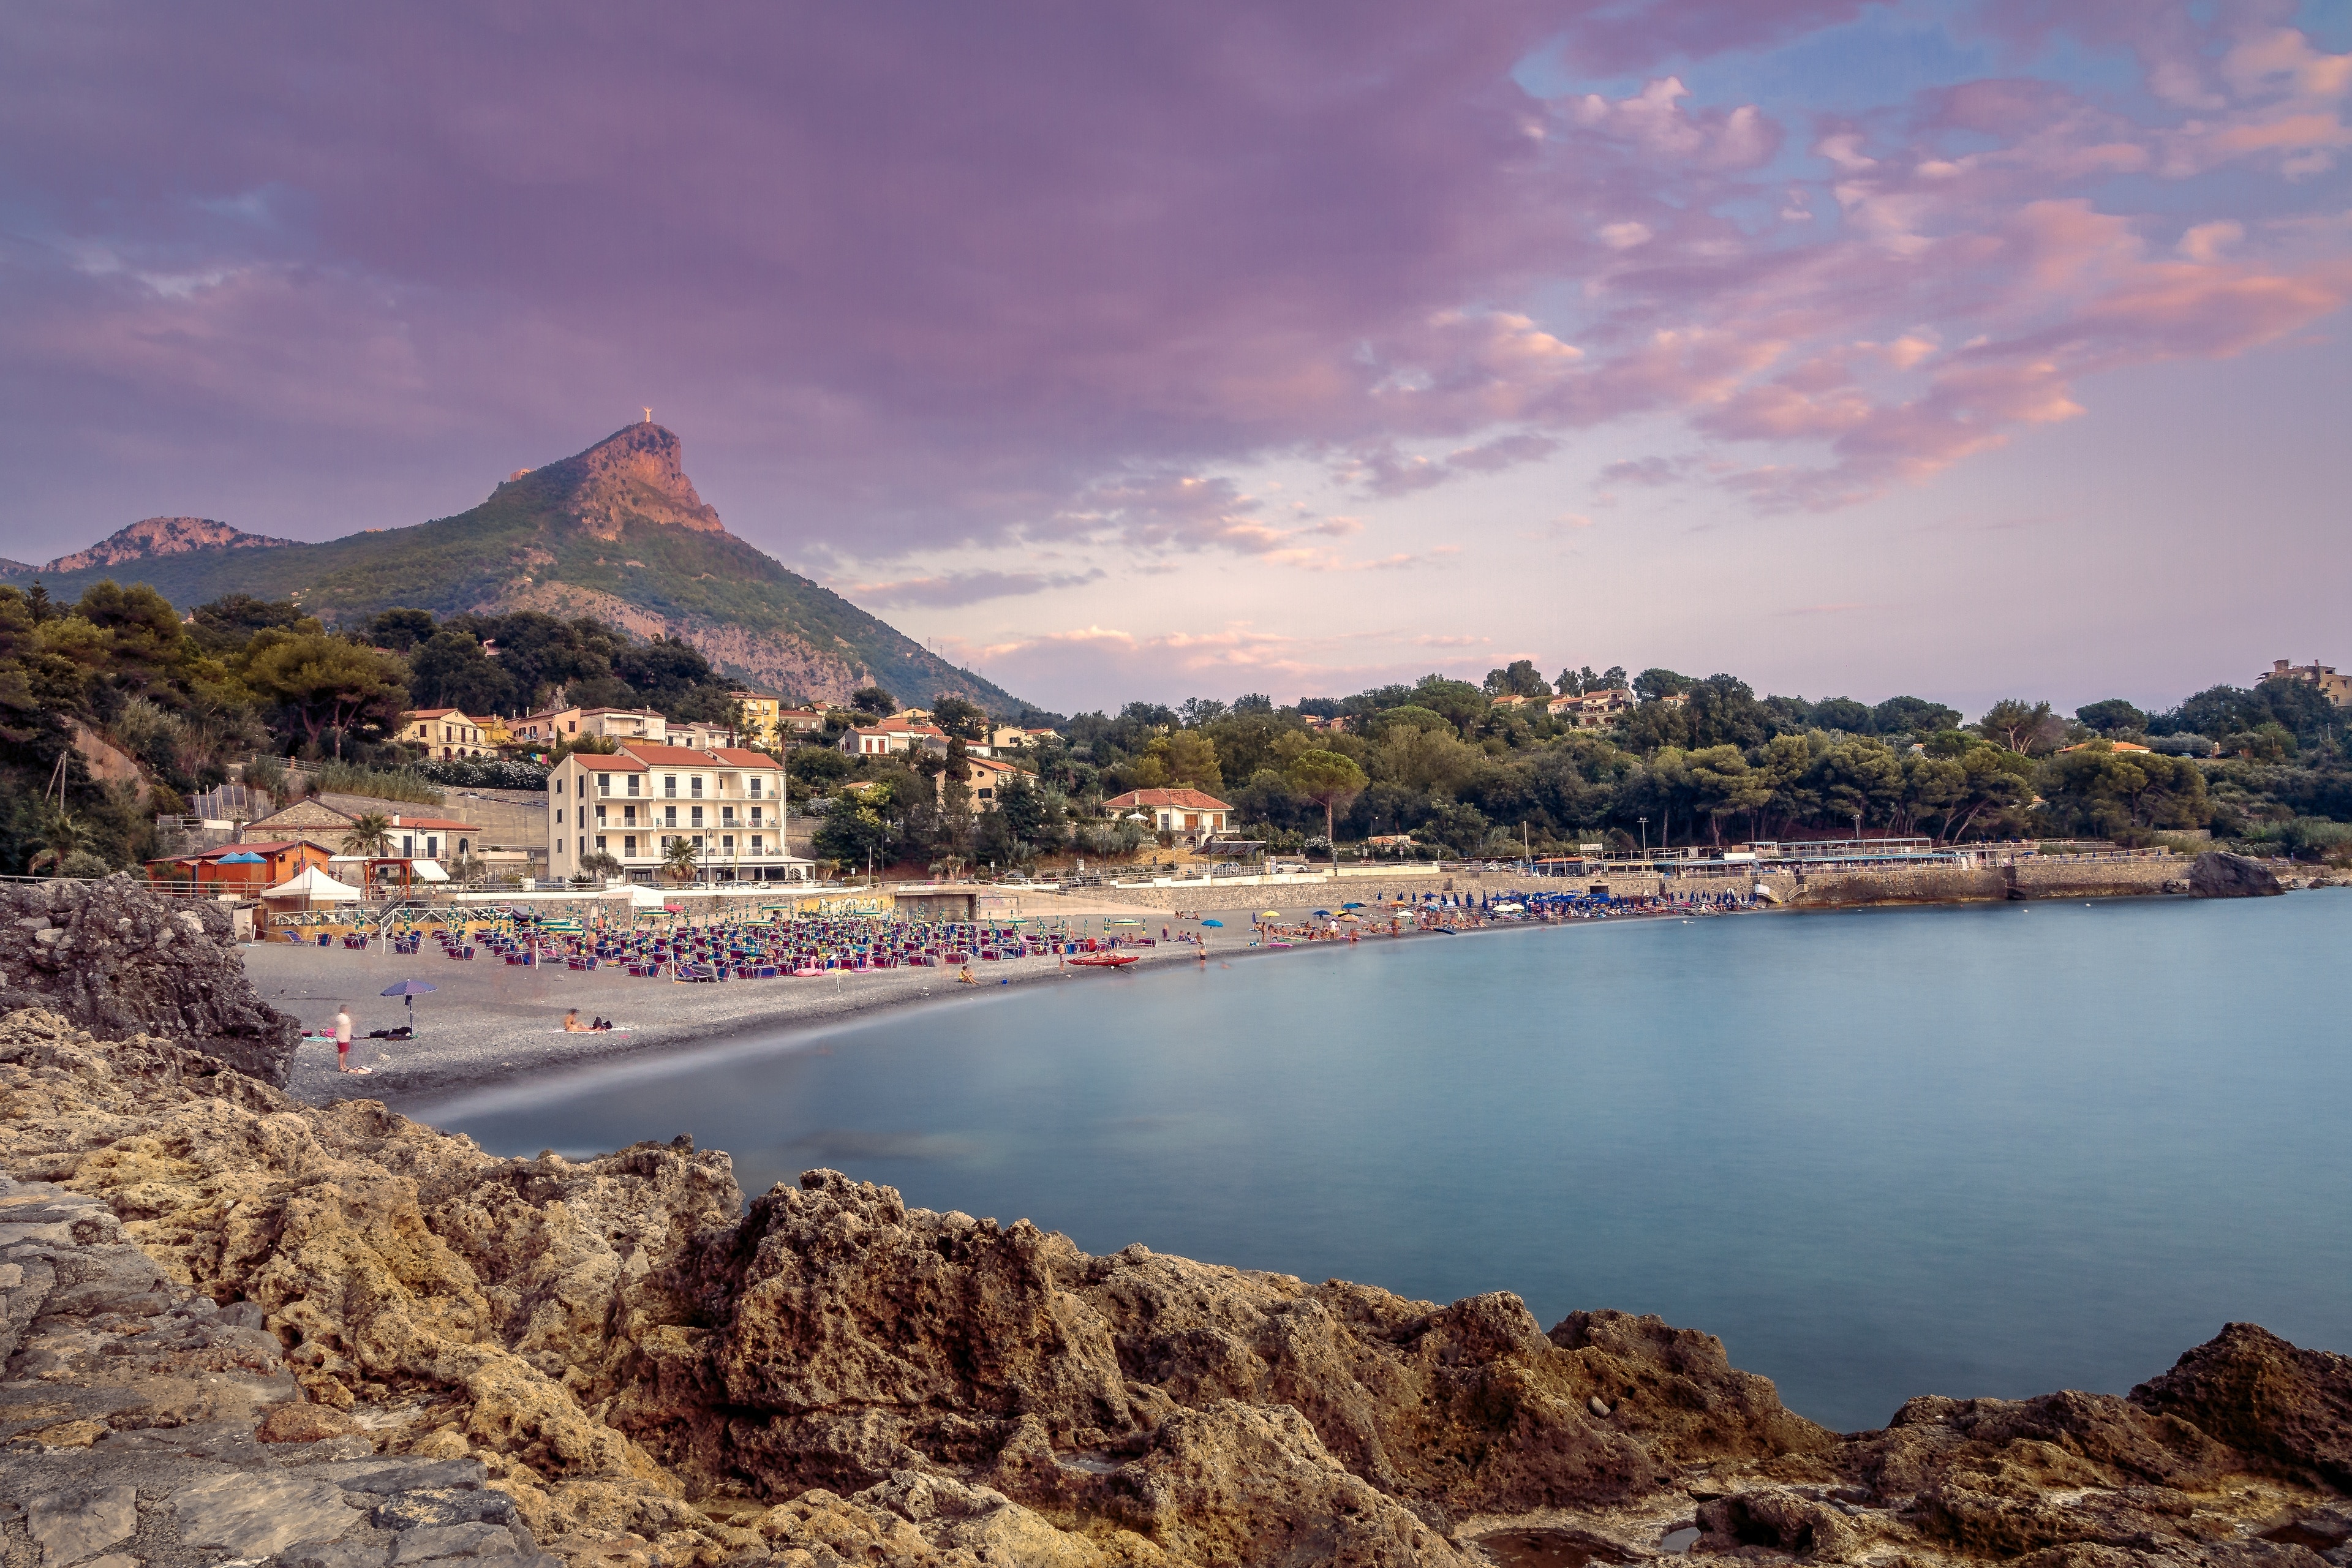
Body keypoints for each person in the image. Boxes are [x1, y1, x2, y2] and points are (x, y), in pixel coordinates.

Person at [333, 1005, 368, 1074]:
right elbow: (344, 1024)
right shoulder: (341, 1017)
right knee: (342, 1052)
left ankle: (344, 1065)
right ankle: (341, 1066)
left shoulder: (344, 1017)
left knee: (345, 1051)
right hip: (342, 1037)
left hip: (346, 1037)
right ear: (345, 1010)